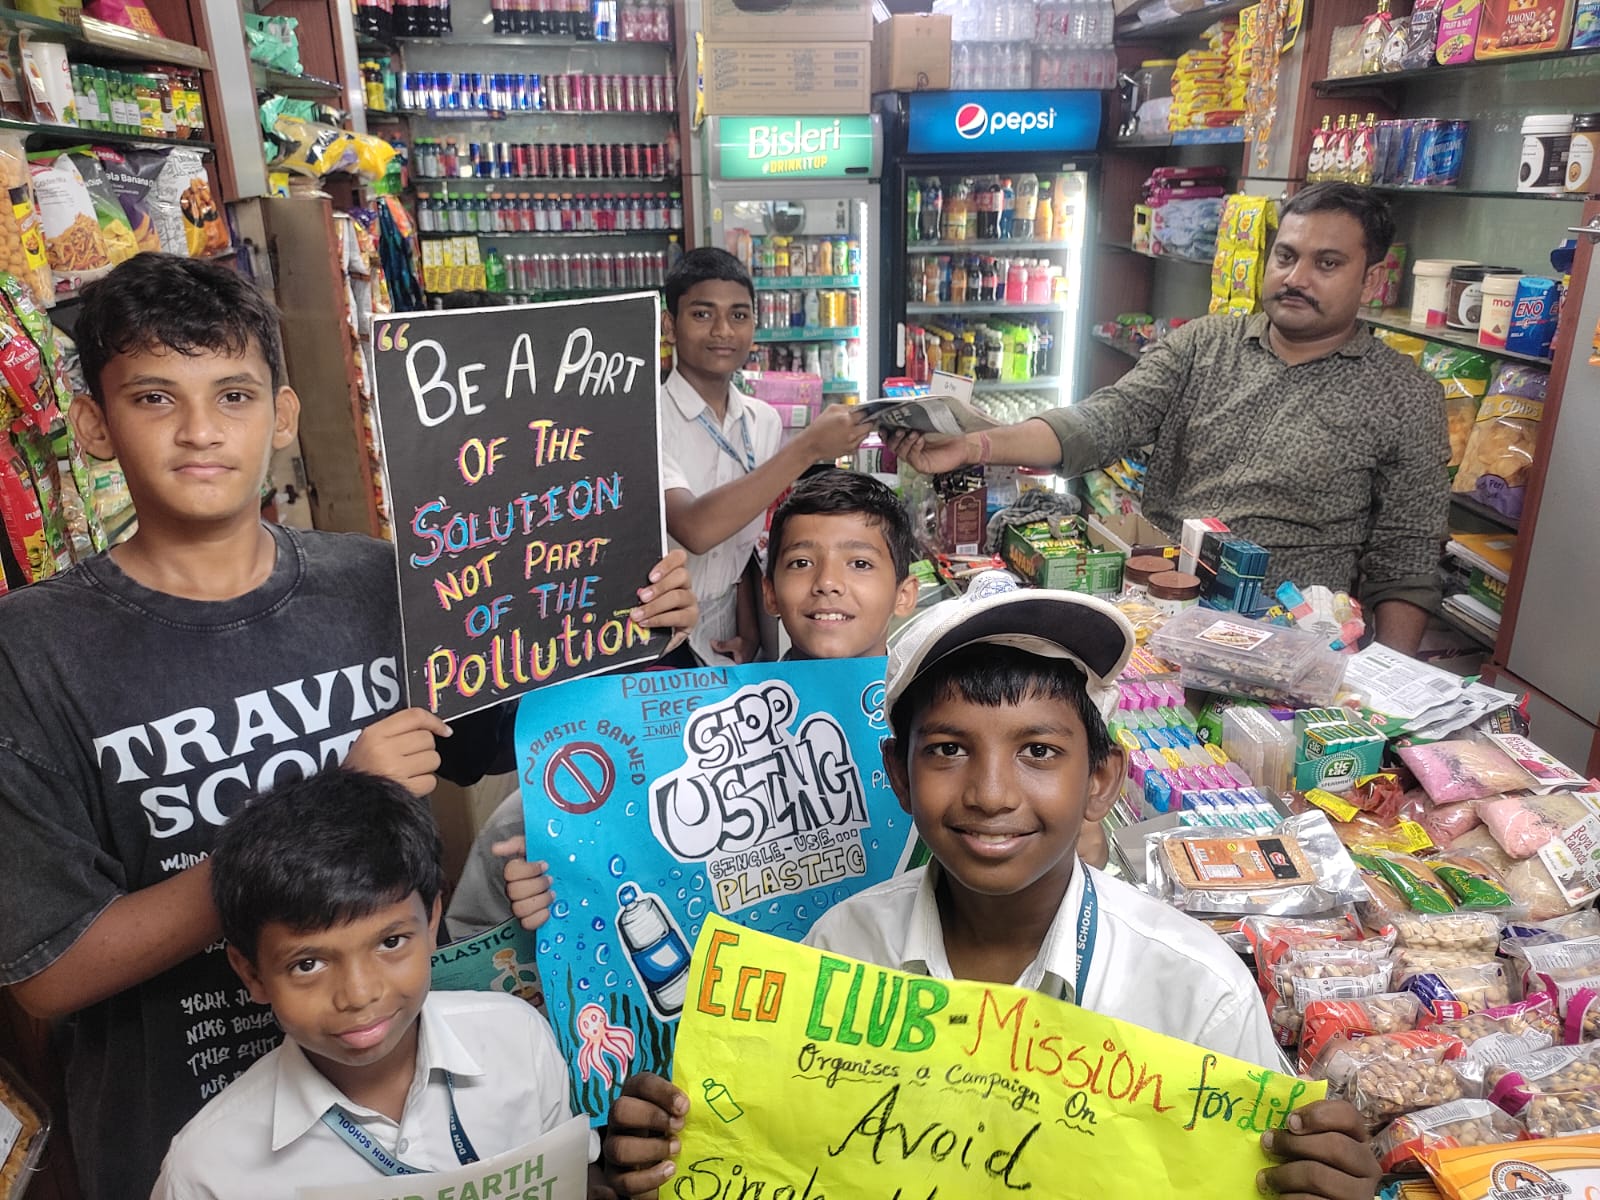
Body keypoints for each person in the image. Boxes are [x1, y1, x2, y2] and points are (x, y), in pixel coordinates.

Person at [0, 254, 692, 1200]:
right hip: (186, 1130)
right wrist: (332, 801)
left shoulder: (375, 585)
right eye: (156, 398)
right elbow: (47, 970)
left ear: (282, 416)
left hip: (435, 1102)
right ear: (93, 424)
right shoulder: (30, 651)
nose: (202, 431)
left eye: (233, 394)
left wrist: (629, 622)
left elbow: (524, 733)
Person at [600, 574, 1383, 1200]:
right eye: (946, 750)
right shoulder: (842, 950)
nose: (991, 793)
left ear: (1102, 780)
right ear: (897, 778)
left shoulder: (1194, 992)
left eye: (1040, 750)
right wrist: (670, 1150)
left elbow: (1259, 1164)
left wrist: (1317, 1172)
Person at [888, 183, 1448, 656]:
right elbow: (1107, 419)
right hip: (1164, 615)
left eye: (1327, 263)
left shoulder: (1405, 394)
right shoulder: (1206, 344)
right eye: (1286, 256)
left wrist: (1386, 684)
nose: (1297, 277)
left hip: (1295, 642)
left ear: (1372, 281)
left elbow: (1408, 555)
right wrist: (975, 446)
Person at [447, 469, 922, 939]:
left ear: (905, 594)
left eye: (859, 563)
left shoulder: (932, 729)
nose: (827, 583)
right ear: (769, 593)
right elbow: (628, 870)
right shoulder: (698, 729)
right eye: (800, 562)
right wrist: (560, 883)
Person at [151, 771, 580, 1197]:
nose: (359, 994)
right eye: (308, 964)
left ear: (431, 923)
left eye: (391, 942)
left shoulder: (519, 1044)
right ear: (252, 973)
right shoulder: (206, 1171)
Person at [660, 248, 873, 666]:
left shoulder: (763, 420)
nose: (723, 330)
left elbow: (745, 544)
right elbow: (695, 528)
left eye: (739, 315)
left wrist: (750, 631)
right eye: (702, 314)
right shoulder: (648, 419)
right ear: (670, 325)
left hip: (726, 636)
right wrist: (809, 446)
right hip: (660, 636)